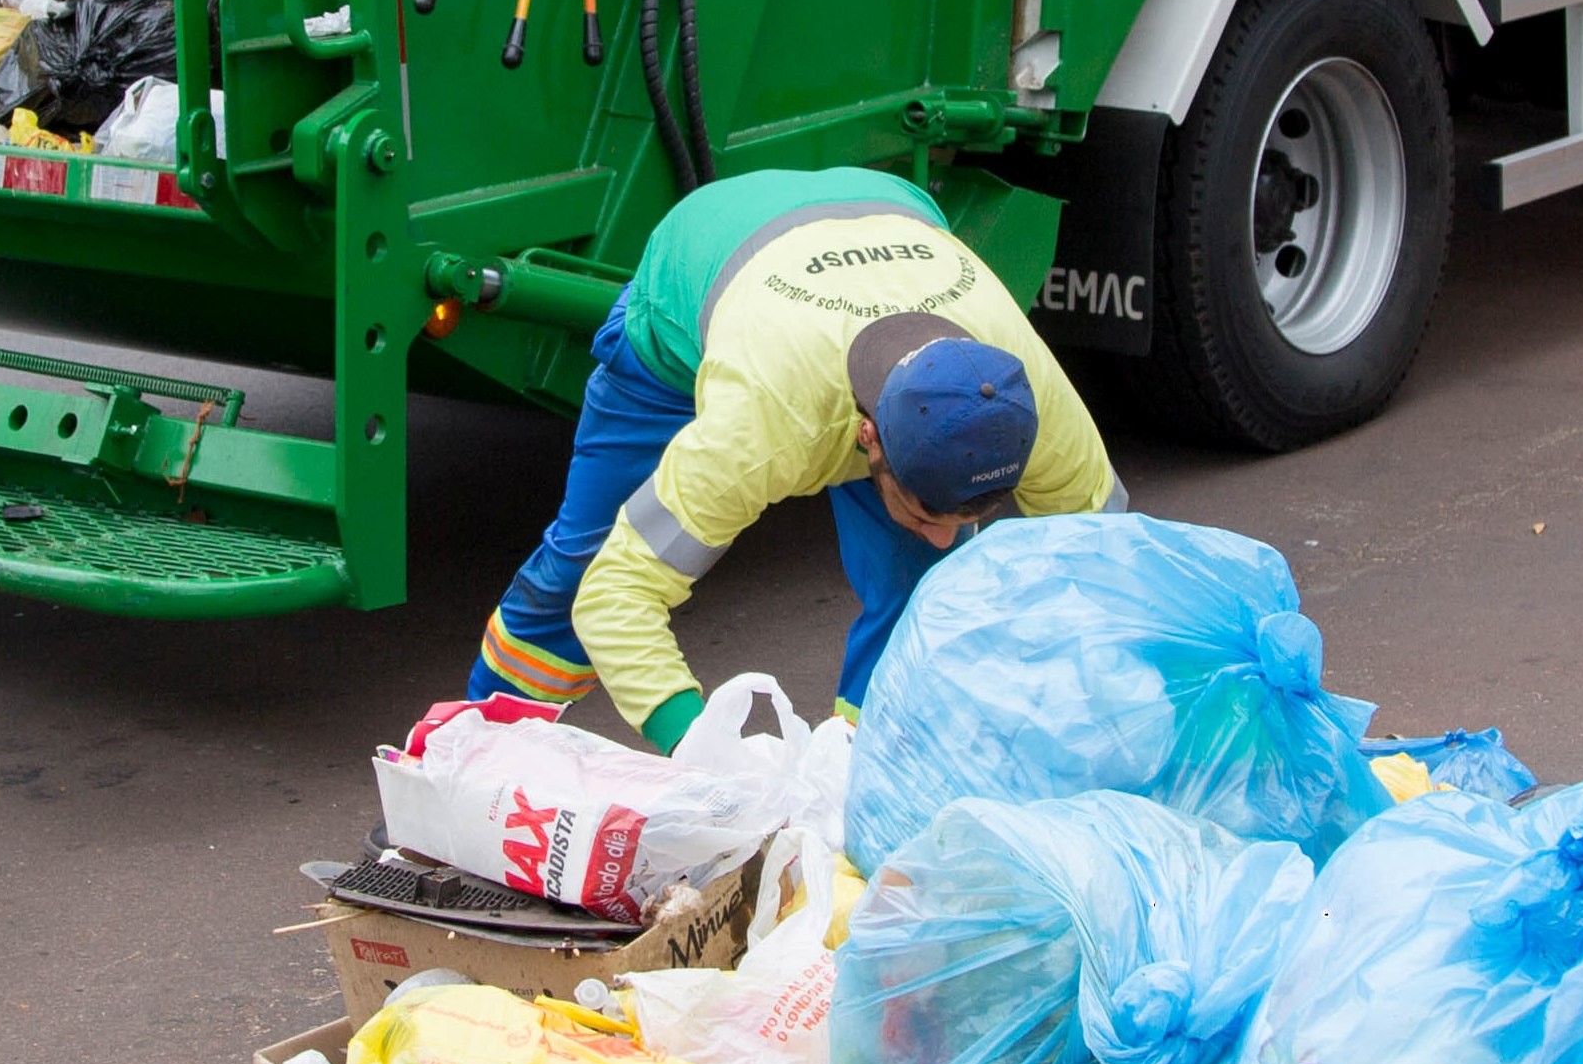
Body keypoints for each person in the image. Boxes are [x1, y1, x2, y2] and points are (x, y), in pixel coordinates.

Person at [470, 166, 1124, 749]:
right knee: (581, 564)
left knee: (924, 582)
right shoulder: (765, 420)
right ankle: (462, 766)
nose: (947, 533)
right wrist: (705, 755)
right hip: (702, 268)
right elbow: (615, 595)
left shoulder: (1022, 394)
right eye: (929, 508)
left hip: (882, 214)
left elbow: (1115, 568)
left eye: (969, 514)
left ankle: (870, 783)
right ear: (868, 436)